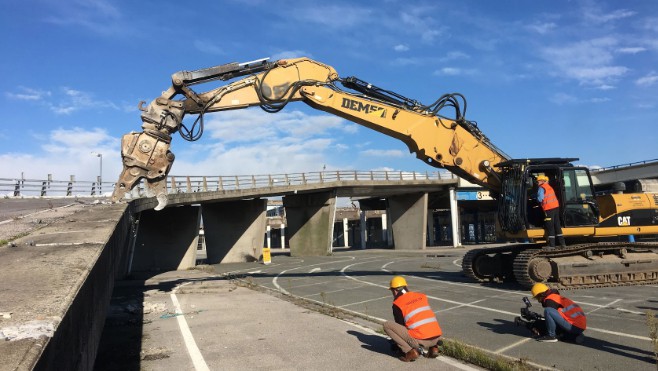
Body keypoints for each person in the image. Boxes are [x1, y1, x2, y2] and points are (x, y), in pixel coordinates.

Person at [383, 276, 442, 362]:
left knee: (387, 325)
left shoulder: (397, 303)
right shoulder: (421, 296)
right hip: (436, 337)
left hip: (421, 340)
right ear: (406, 287)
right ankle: (434, 349)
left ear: (394, 291)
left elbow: (401, 327)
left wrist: (397, 343)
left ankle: (410, 352)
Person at [535, 174, 566, 249]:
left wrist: (535, 198)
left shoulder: (541, 188)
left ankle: (552, 245)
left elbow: (540, 199)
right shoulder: (549, 187)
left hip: (548, 209)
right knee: (557, 225)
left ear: (542, 181)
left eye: (538, 181)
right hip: (555, 207)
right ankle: (562, 244)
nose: (537, 182)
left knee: (550, 226)